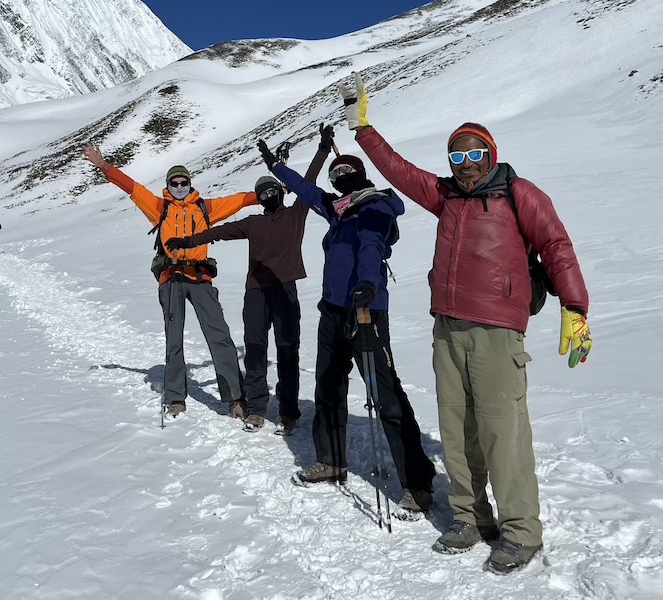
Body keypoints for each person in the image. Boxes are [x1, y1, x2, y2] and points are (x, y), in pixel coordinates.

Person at [347, 72, 591, 574]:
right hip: (447, 328)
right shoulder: (445, 197)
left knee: (504, 430)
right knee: (457, 430)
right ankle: (471, 517)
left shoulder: (519, 193)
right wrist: (362, 129)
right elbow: (397, 170)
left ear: (490, 154)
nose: (464, 163)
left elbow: (557, 247)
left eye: (473, 153)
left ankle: (521, 530)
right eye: (455, 156)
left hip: (497, 331)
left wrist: (576, 308)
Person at [257, 134, 437, 519]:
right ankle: (331, 460)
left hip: (366, 312)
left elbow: (372, 245)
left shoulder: (375, 207)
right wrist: (276, 168)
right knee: (327, 386)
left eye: (344, 171)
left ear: (360, 175)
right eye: (335, 173)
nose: (337, 176)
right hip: (334, 313)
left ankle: (418, 482)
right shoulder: (338, 209)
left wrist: (368, 284)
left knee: (385, 394)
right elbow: (306, 190)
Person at [163, 126, 332, 433]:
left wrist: (322, 148)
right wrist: (185, 242)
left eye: (272, 189)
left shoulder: (296, 215)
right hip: (255, 293)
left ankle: (289, 411)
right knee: (254, 350)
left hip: (285, 291)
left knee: (287, 350)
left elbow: (308, 181)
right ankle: (256, 409)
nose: (268, 194)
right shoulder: (253, 223)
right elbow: (216, 232)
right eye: (262, 191)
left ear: (280, 193)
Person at [83, 143, 256, 419]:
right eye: (174, 183)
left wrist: (267, 194)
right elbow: (132, 188)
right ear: (168, 185)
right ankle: (176, 398)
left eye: (183, 182)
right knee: (174, 340)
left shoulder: (205, 207)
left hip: (200, 278)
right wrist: (104, 166)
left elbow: (240, 200)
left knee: (219, 336)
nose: (179, 186)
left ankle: (235, 397)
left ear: (190, 183)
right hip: (171, 279)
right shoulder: (159, 207)